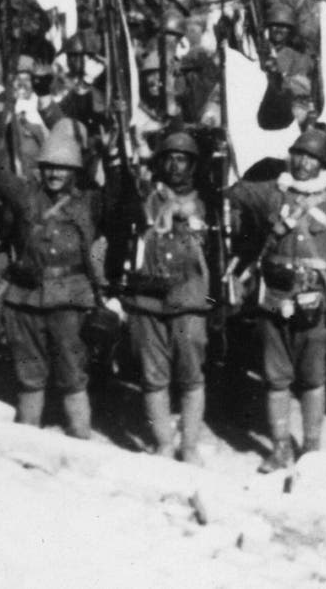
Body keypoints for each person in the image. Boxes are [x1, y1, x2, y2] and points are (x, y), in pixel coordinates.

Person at [228, 128, 326, 471]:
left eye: (312, 158)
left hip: (316, 299)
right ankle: (280, 448)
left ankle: (311, 448)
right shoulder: (271, 193)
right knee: (275, 378)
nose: (304, 163)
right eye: (299, 154)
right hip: (274, 297)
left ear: (323, 163)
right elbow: (234, 192)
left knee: (313, 377)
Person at [0, 122, 103, 437]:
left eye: (62, 168)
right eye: (49, 167)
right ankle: (28, 439)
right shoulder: (27, 196)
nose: (54, 174)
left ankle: (81, 438)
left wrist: (110, 151)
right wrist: (5, 129)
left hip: (69, 299)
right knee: (30, 375)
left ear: (74, 171)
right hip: (25, 297)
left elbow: (120, 193)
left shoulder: (87, 203)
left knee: (73, 375)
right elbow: (0, 176)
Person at [111, 129, 217, 461]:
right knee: (153, 376)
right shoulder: (145, 195)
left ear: (193, 165)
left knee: (191, 376)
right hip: (146, 298)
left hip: (189, 298)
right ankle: (164, 444)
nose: (174, 166)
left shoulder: (208, 203)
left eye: (182, 159)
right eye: (169, 158)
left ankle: (189, 446)